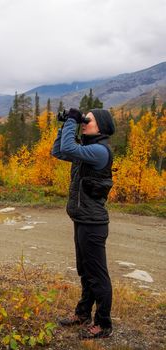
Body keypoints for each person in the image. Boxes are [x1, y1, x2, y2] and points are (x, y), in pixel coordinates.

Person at [51, 108, 115, 339]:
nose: (84, 122)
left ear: (101, 126)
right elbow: (58, 151)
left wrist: (71, 121)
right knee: (86, 272)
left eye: (88, 120)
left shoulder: (99, 150)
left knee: (97, 275)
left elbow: (68, 148)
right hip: (82, 219)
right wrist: (66, 125)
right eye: (83, 119)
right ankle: (83, 314)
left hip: (93, 223)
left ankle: (103, 324)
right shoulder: (86, 150)